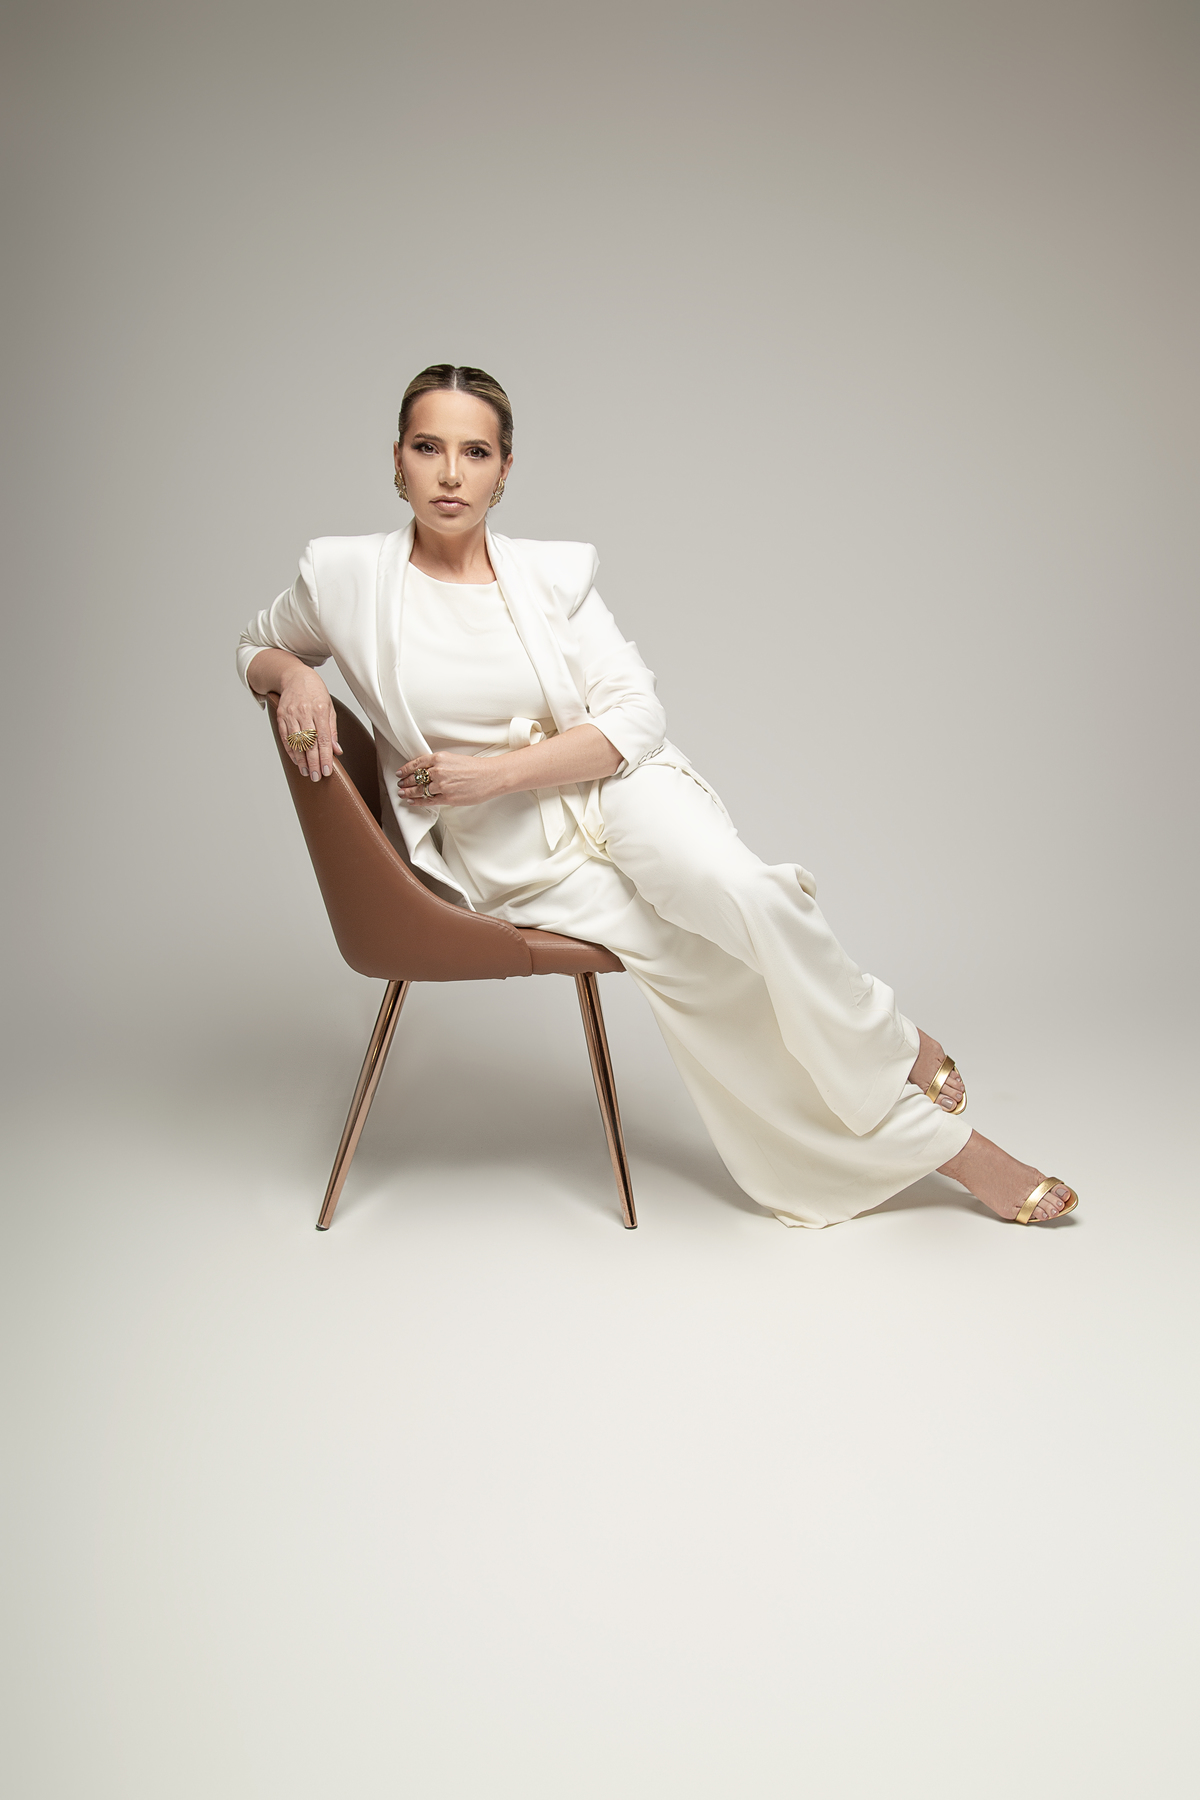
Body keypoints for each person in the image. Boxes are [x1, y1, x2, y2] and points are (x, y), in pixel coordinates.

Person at [237, 364, 1077, 1229]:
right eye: (429, 447)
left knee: (742, 892)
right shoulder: (345, 576)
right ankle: (954, 1149)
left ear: (505, 469)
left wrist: (494, 773)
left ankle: (891, 1040)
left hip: (614, 785)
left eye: (475, 452)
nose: (451, 474)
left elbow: (636, 715)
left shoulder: (553, 575)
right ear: (398, 460)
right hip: (510, 852)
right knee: (707, 977)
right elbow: (255, 646)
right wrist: (295, 675)